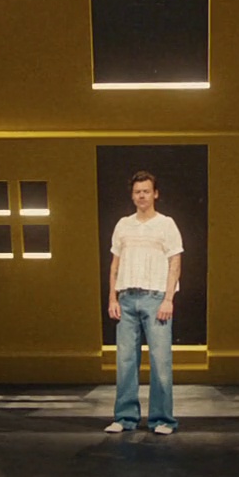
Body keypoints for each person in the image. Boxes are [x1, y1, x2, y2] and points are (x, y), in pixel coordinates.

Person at [104, 170, 182, 435]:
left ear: (155, 194)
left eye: (146, 191)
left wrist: (168, 299)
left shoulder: (166, 224)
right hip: (126, 298)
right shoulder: (123, 225)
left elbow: (175, 262)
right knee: (125, 361)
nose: (142, 196)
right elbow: (114, 265)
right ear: (132, 195)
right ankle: (125, 417)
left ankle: (162, 419)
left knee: (161, 362)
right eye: (137, 192)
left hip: (156, 298)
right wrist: (112, 297)